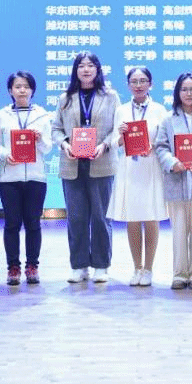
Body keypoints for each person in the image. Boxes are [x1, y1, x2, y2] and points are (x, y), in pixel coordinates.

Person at [51, 51, 121, 284]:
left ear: (98, 70)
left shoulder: (110, 96)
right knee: (76, 218)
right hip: (72, 164)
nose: (86, 69)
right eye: (81, 66)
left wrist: (104, 145)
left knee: (101, 218)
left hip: (101, 162)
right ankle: (79, 265)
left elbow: (118, 129)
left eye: (91, 65)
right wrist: (65, 144)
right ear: (76, 71)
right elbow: (56, 129)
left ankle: (101, 265)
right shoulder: (65, 98)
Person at [154, 72, 192, 290]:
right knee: (179, 230)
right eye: (184, 89)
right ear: (177, 92)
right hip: (176, 179)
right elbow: (160, 146)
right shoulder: (168, 119)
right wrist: (171, 162)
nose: (189, 94)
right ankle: (180, 274)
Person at [108, 67, 169, 287]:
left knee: (151, 217)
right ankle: (137, 268)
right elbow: (114, 142)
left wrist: (153, 146)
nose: (139, 85)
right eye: (134, 81)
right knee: (133, 219)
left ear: (151, 84)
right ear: (128, 85)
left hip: (151, 167)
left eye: (143, 81)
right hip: (129, 169)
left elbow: (165, 140)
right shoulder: (121, 110)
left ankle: (149, 269)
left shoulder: (160, 110)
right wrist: (121, 136)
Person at [0, 70, 53, 286]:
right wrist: (5, 155)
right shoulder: (0, 115)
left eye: (26, 87)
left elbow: (48, 148)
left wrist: (39, 139)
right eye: (18, 86)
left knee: (33, 223)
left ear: (32, 90)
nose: (22, 90)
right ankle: (13, 267)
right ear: (10, 90)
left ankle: (32, 266)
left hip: (36, 177)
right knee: (11, 224)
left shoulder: (42, 115)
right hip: (9, 178)